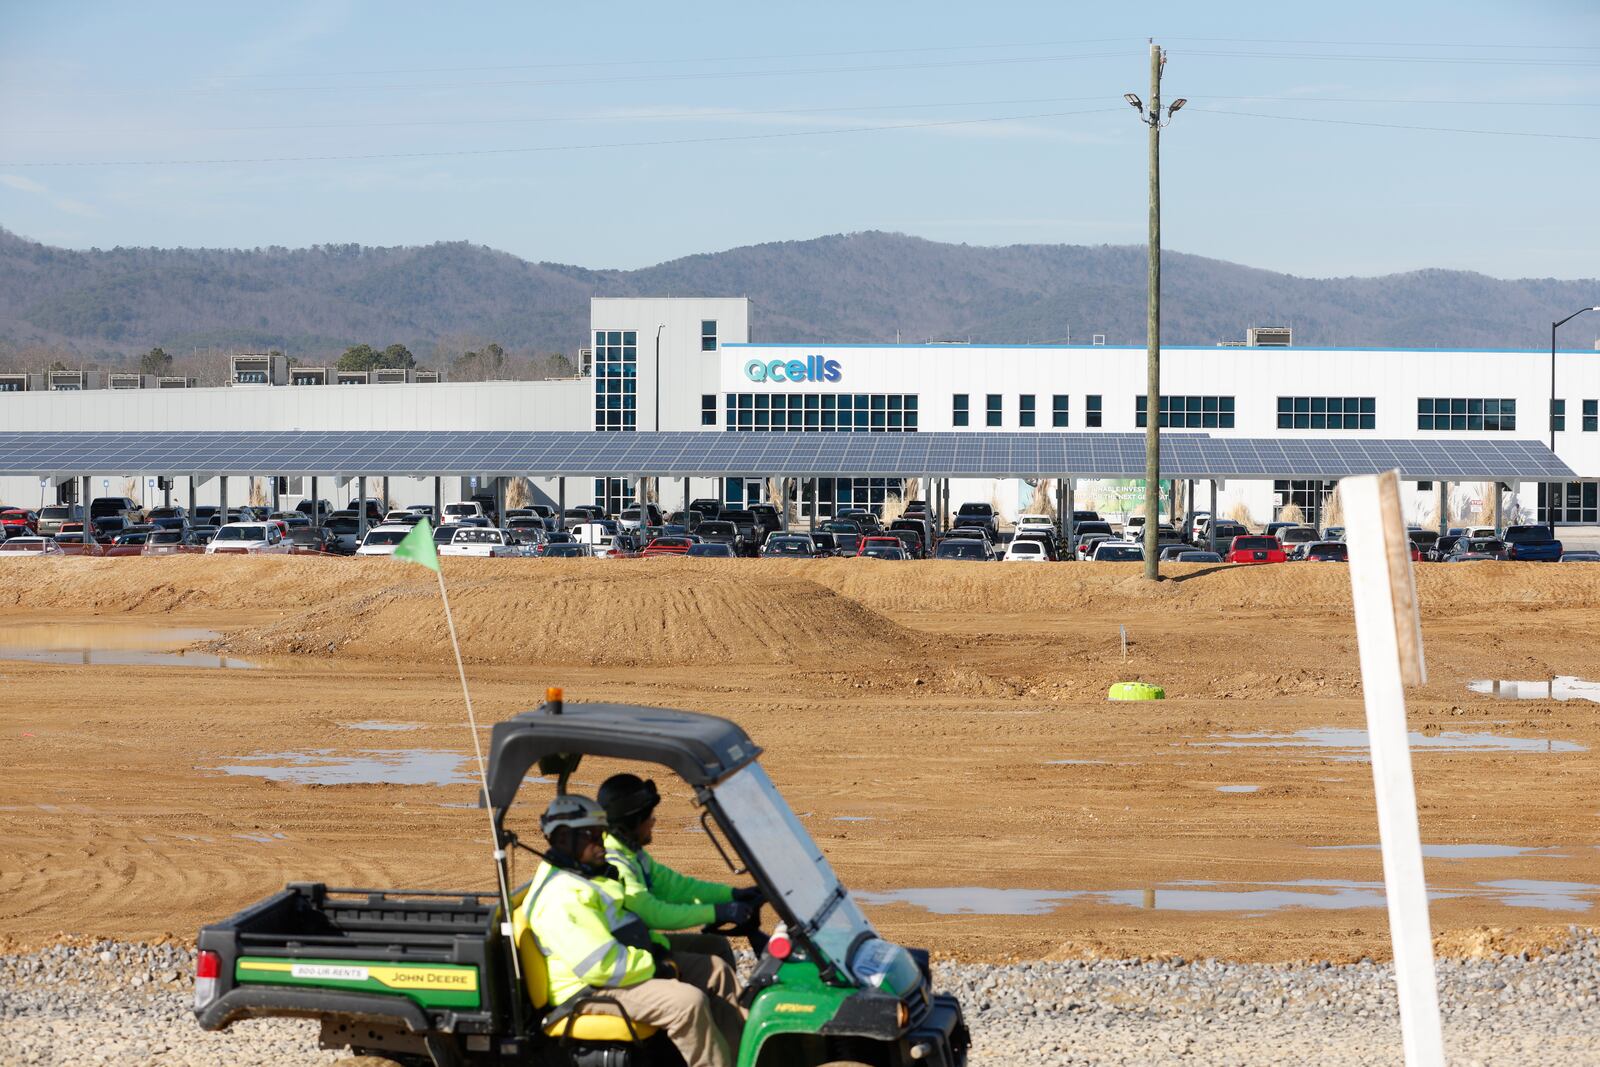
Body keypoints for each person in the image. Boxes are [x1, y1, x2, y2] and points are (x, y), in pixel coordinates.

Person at [523, 794, 744, 1067]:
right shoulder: (562, 896)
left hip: (622, 968)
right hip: (589, 988)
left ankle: (743, 1058)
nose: (602, 844)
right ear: (564, 839)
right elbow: (602, 965)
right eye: (593, 836)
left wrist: (658, 949)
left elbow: (626, 925)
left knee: (716, 971)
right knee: (688, 1002)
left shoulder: (587, 874)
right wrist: (655, 965)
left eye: (602, 834)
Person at [598, 773, 766, 963]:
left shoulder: (631, 854)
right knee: (716, 968)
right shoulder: (614, 864)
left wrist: (732, 894)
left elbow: (677, 887)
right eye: (649, 816)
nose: (653, 821)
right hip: (624, 957)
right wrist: (716, 912)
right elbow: (654, 914)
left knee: (716, 945)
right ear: (633, 823)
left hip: (637, 943)